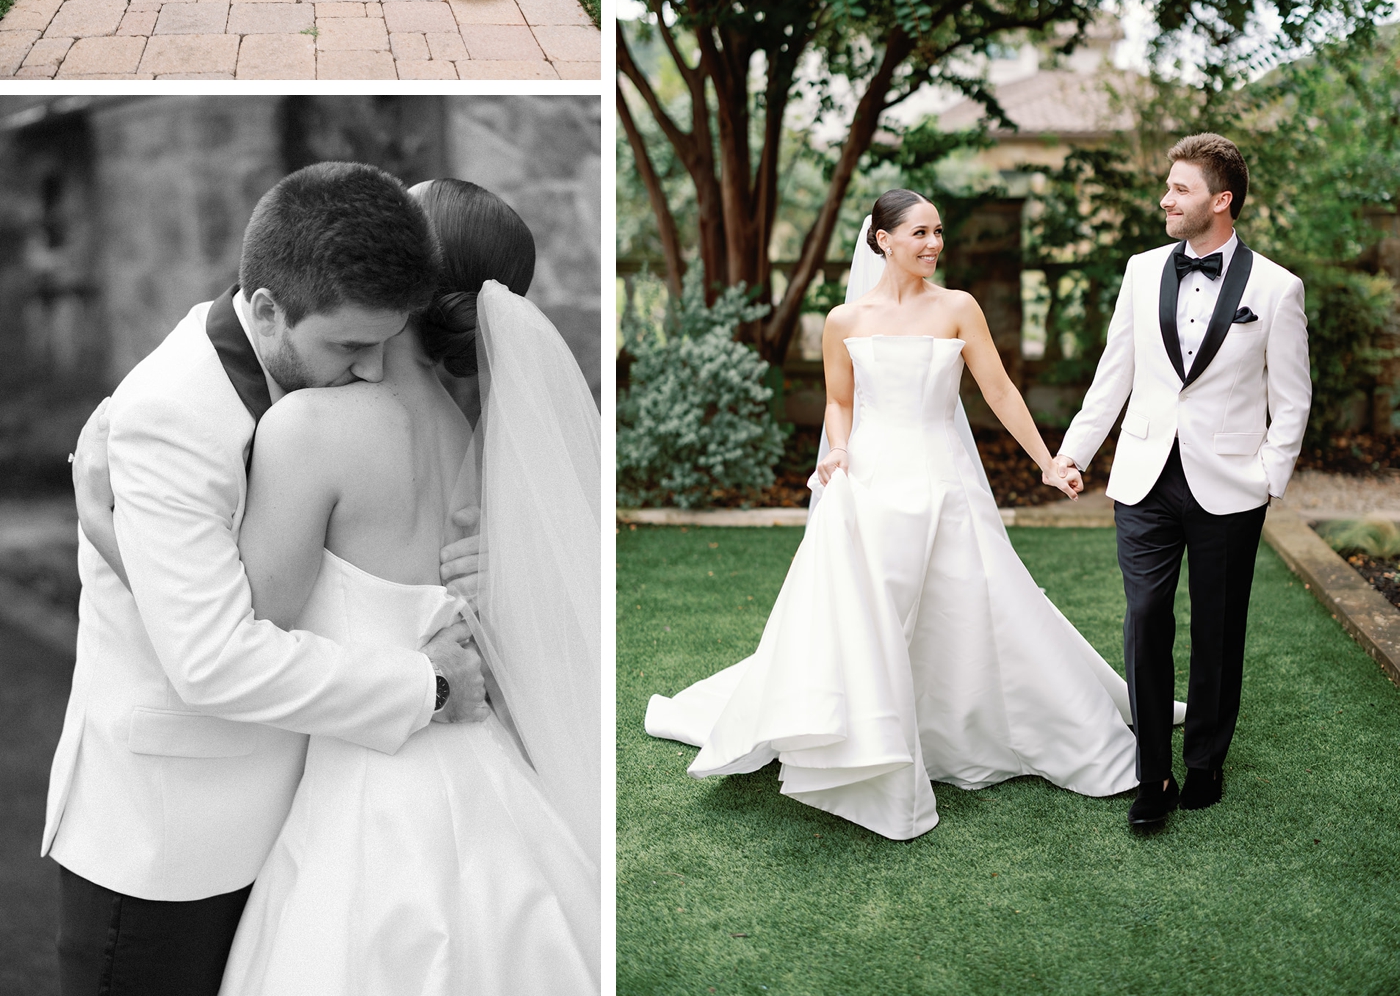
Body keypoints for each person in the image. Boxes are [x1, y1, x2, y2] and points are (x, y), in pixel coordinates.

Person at [51, 163, 484, 996]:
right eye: (352, 347)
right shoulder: (171, 414)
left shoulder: (319, 392)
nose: (368, 374)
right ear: (263, 309)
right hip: (163, 845)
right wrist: (425, 683)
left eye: (384, 345)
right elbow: (212, 657)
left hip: (291, 822)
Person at [645, 190, 1185, 841]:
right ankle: (861, 730)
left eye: (938, 233)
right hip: (871, 479)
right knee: (867, 610)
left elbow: (999, 389)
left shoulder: (958, 308)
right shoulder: (844, 319)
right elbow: (840, 402)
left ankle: (978, 730)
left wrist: (1047, 459)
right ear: (882, 239)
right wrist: (837, 452)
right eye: (919, 232)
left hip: (943, 478)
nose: (933, 243)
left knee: (974, 600)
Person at [218, 176, 600, 993]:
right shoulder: (465, 428)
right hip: (482, 770)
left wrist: (110, 524)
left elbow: (246, 623)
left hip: (371, 791)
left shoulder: (309, 428)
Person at [1050, 134, 1312, 833]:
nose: (1166, 198)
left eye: (1180, 188)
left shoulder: (1277, 288)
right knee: (1145, 619)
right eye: (1167, 187)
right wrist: (1075, 451)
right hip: (1143, 477)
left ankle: (1205, 761)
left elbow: (1291, 399)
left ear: (1220, 201)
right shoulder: (1140, 272)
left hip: (1230, 483)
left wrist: (1266, 479)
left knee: (1219, 627)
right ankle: (1151, 772)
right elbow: (1115, 373)